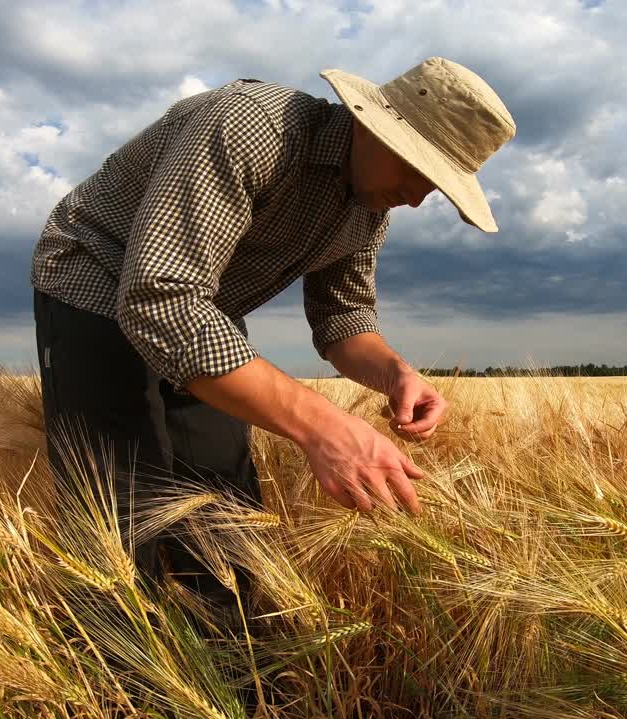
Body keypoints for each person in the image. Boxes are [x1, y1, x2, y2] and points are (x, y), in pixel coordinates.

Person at [30, 56, 515, 636]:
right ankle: (121, 685)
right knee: (119, 510)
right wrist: (324, 427)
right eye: (418, 169)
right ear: (373, 124)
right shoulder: (250, 126)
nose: (417, 198)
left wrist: (394, 374)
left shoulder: (368, 207)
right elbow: (160, 296)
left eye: (436, 186)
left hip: (204, 313)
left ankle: (231, 678)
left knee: (227, 513)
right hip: (95, 283)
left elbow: (344, 318)